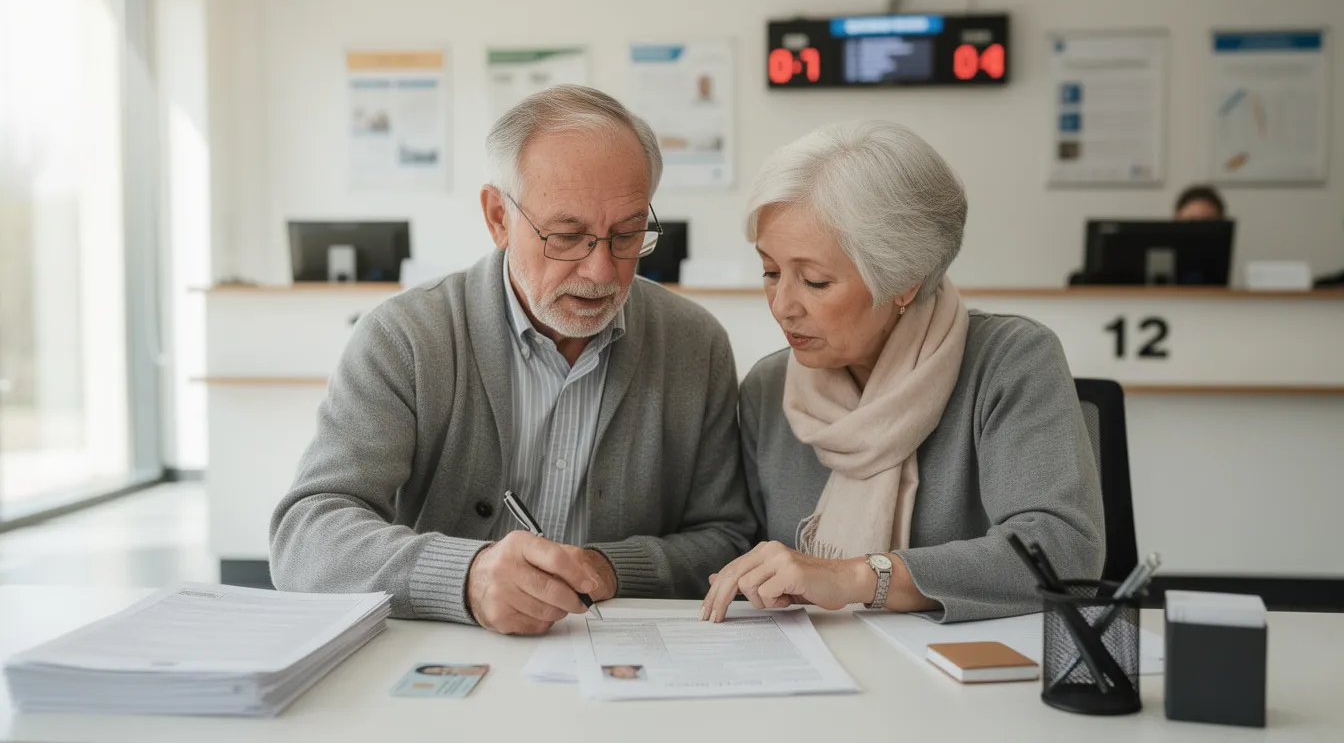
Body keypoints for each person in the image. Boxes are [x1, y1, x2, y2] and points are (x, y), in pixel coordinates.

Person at [270, 85, 755, 635]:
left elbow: (728, 538)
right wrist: (466, 576)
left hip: (621, 651)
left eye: (627, 235)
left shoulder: (695, 345)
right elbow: (306, 536)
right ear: (499, 216)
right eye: (567, 236)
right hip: (442, 651)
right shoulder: (405, 337)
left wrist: (607, 568)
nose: (602, 272)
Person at [701, 120, 1105, 624]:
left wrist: (856, 577)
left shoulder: (1010, 360)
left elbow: (1063, 552)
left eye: (815, 281)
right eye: (770, 271)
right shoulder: (767, 387)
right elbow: (738, 548)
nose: (782, 305)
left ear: (905, 283)